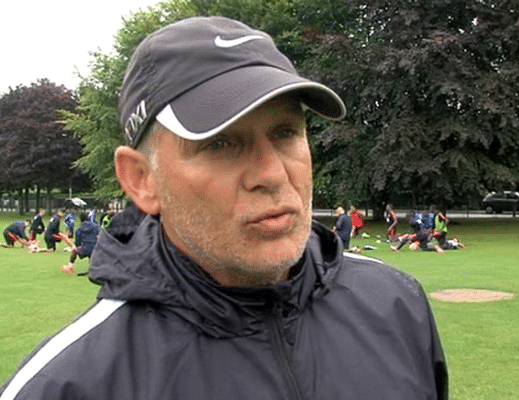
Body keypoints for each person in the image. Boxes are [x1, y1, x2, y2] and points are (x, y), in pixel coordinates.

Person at [1, 16, 447, 400]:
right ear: (141, 180)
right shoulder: (70, 385)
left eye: (286, 132)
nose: (271, 173)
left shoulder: (396, 306)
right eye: (221, 142)